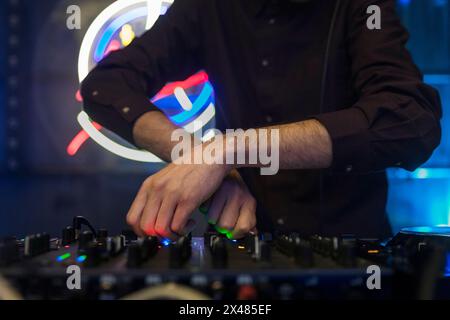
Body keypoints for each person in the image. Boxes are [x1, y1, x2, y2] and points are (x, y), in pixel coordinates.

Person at [80, 0, 442, 240]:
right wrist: (199, 159)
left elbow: (408, 121)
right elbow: (105, 86)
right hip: (241, 248)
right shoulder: (208, 9)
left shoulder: (364, 7)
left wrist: (227, 152)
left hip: (352, 261)